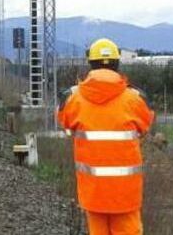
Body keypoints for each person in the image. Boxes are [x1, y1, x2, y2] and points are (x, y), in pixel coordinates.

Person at [57, 38, 154, 235]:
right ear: (117, 64)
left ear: (90, 63)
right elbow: (145, 126)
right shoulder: (135, 100)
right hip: (126, 194)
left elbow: (65, 123)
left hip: (93, 192)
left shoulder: (73, 99)